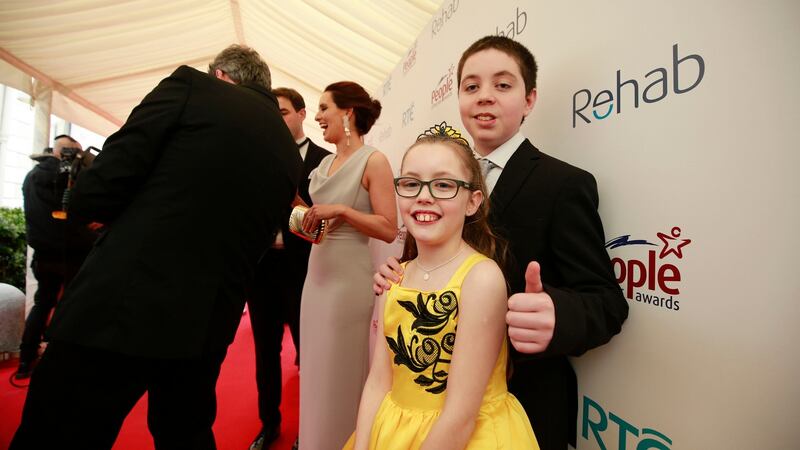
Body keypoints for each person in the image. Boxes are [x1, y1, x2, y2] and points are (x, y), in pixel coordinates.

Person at [10, 44, 302, 450]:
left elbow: (98, 191)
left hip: (123, 304)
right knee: (184, 433)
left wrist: (98, 206)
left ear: (220, 75)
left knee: (60, 430)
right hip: (208, 320)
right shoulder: (288, 151)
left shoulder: (191, 87)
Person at [374, 36, 629, 450]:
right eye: (471, 86)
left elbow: (606, 302)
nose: (484, 97)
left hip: (521, 406)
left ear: (529, 100)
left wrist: (557, 314)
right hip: (429, 411)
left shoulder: (563, 185)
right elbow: (427, 261)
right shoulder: (437, 180)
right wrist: (398, 277)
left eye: (503, 85)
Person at [345, 128, 539, 450]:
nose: (424, 195)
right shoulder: (396, 276)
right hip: (393, 431)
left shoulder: (481, 278)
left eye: (444, 185)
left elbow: (461, 415)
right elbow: (379, 380)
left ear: (472, 202)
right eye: (411, 183)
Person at [296, 81, 397, 450]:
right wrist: (304, 220)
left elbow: (388, 228)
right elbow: (320, 224)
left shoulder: (374, 161)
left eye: (324, 108)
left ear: (348, 112)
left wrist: (342, 210)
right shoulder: (324, 163)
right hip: (315, 277)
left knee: (339, 375)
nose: (318, 117)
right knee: (315, 373)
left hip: (347, 284)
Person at [247, 87, 331, 450]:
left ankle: (308, 430)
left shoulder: (324, 161)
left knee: (308, 355)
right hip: (261, 270)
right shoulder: (253, 157)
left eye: (282, 112)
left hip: (306, 271)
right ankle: (269, 425)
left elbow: (327, 222)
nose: (277, 119)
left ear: (300, 113)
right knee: (265, 355)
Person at [15, 135, 97, 379]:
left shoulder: (31, 176)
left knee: (43, 304)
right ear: (68, 153)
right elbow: (79, 213)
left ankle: (25, 359)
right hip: (71, 254)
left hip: (43, 255)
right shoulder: (67, 178)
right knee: (72, 308)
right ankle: (63, 363)